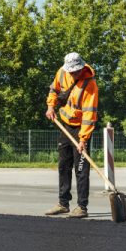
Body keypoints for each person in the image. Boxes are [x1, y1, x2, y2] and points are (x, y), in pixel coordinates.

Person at [44, 52, 99, 218]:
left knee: (81, 168)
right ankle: (63, 203)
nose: (73, 73)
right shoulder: (62, 72)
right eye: (71, 71)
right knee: (63, 165)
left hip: (81, 128)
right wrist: (51, 107)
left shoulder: (90, 84)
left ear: (82, 67)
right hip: (65, 125)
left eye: (76, 71)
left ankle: (82, 207)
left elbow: (90, 114)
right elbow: (54, 89)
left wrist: (83, 139)